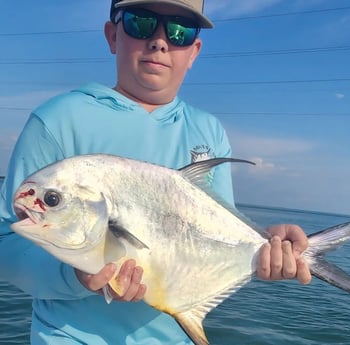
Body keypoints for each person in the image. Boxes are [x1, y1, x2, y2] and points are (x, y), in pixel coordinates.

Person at [0, 0, 311, 344]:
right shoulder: (58, 120)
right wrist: (77, 275)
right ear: (112, 35)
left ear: (194, 51)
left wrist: (263, 244)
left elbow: (214, 231)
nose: (160, 41)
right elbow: (6, 245)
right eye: (141, 23)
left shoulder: (209, 132)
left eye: (179, 30)